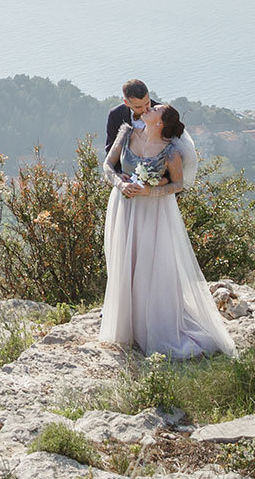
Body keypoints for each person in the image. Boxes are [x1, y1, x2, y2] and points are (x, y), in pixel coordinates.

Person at [99, 102, 236, 358]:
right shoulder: (126, 132)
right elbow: (107, 166)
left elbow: (178, 185)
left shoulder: (171, 151)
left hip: (154, 212)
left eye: (155, 110)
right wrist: (119, 183)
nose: (148, 109)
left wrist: (150, 191)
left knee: (150, 264)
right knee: (124, 262)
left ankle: (152, 325)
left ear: (160, 122)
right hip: (123, 206)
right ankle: (126, 326)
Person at [106, 79, 152, 149]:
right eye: (138, 107)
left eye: (147, 103)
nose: (145, 110)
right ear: (126, 103)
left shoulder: (162, 111)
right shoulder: (115, 115)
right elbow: (110, 147)